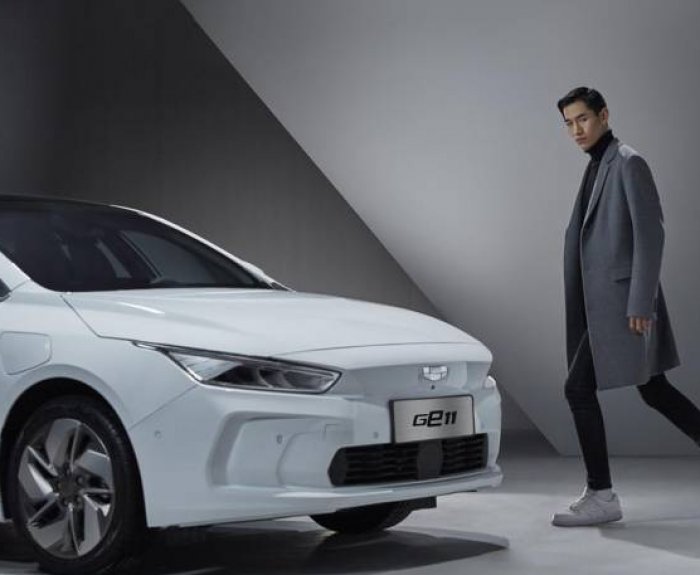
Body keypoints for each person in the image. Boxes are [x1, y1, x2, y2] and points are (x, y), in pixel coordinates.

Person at [553, 86, 700, 527]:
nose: (576, 130)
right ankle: (601, 494)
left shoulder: (628, 162)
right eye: (568, 124)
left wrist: (641, 302)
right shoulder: (597, 164)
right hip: (599, 304)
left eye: (583, 119)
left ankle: (602, 495)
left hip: (622, 306)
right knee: (654, 389)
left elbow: (651, 234)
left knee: (577, 389)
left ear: (604, 115)